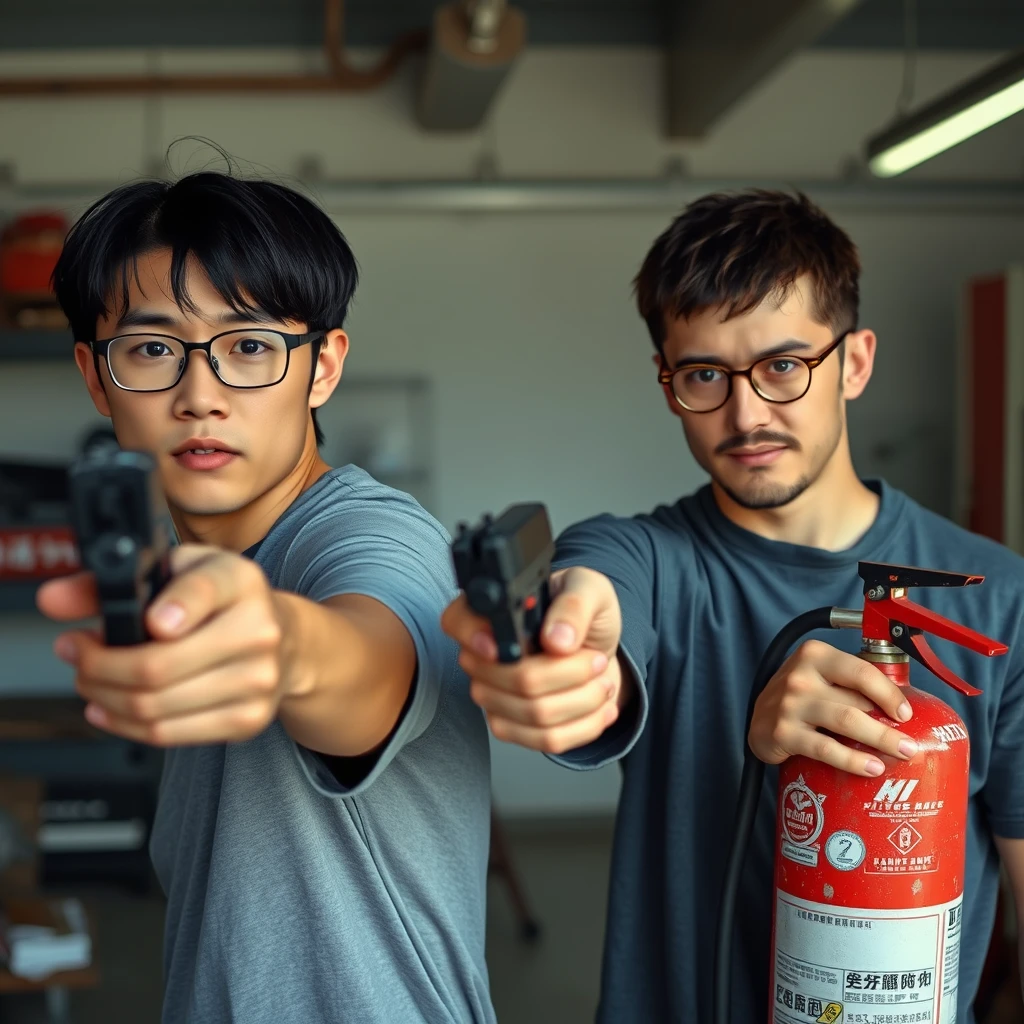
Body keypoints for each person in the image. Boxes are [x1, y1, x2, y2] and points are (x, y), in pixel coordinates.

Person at [442, 190, 1024, 1022]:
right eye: (705, 375)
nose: (745, 413)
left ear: (854, 362)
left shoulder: (999, 599)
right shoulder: (646, 559)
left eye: (784, 366)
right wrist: (567, 647)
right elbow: (593, 592)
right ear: (667, 381)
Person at [37, 171, 495, 1024]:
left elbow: (366, 654)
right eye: (151, 349)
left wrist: (278, 645)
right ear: (97, 381)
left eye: (248, 346)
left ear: (321, 367)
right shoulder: (172, 570)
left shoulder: (371, 533)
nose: (199, 394)